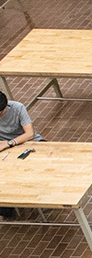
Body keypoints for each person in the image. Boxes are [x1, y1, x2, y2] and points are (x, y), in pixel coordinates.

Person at [0, 90, 43, 219]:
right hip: (5, 148)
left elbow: (29, 134)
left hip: (27, 143)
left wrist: (9, 143)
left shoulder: (18, 107)